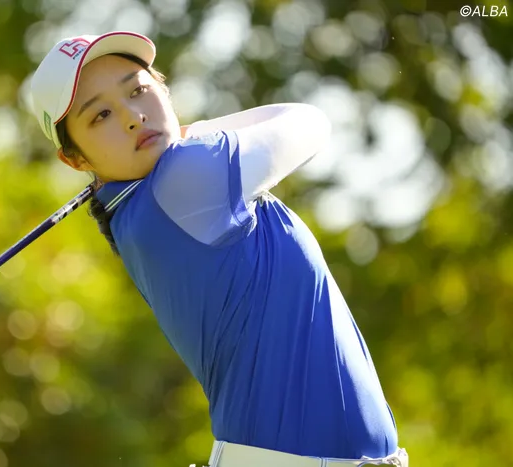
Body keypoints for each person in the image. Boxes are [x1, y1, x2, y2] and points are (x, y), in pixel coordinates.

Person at [30, 32, 408, 467]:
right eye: (101, 115)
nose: (133, 117)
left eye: (138, 91)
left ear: (164, 88)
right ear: (75, 159)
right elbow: (309, 122)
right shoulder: (185, 178)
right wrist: (189, 132)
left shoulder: (138, 213)